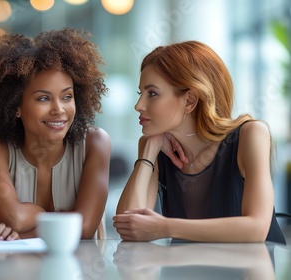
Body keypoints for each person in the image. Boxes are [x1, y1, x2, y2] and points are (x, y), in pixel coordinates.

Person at [113, 40, 286, 244]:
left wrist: (164, 227)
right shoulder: (154, 147)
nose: (138, 105)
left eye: (152, 93)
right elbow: (128, 226)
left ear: (189, 101)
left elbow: (255, 229)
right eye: (140, 93)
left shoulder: (251, 135)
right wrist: (149, 149)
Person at [0, 28, 111, 241]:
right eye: (43, 99)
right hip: (20, 270)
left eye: (67, 97)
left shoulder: (95, 143)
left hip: (83, 270)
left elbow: (85, 228)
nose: (59, 109)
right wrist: (58, 218)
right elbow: (14, 218)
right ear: (16, 105)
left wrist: (26, 231)